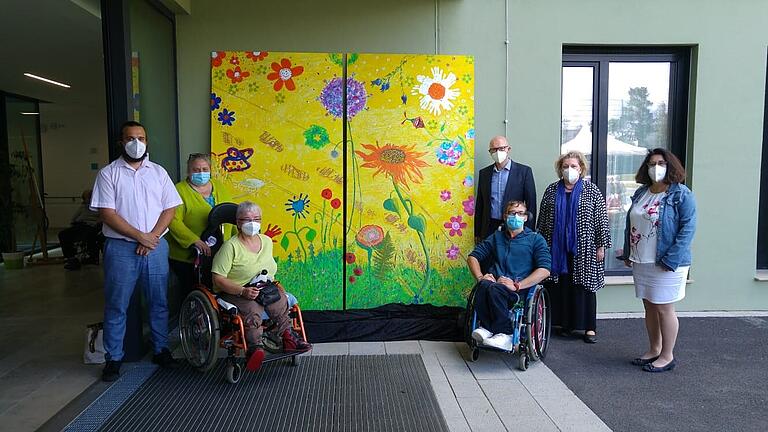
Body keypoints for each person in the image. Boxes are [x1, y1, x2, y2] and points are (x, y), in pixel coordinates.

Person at [90, 121, 183, 382]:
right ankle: (114, 359)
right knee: (117, 304)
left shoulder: (158, 172)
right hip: (120, 249)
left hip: (154, 247)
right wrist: (139, 236)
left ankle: (161, 350)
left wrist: (150, 238)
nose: (136, 143)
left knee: (158, 301)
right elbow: (107, 213)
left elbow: (170, 209)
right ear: (121, 142)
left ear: (147, 141)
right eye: (130, 138)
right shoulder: (109, 174)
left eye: (141, 137)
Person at [618, 148, 696, 373]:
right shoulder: (642, 192)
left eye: (661, 163)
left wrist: (671, 258)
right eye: (651, 163)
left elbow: (688, 228)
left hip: (667, 261)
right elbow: (632, 223)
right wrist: (628, 252)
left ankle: (667, 355)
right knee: (649, 306)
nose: (656, 168)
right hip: (642, 259)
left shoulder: (681, 194)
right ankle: (654, 349)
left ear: (670, 166)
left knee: (664, 308)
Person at [211, 201, 311, 372]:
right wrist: (243, 290)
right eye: (247, 219)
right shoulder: (230, 247)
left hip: (262, 286)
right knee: (252, 308)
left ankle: (288, 337)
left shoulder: (266, 241)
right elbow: (217, 278)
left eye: (256, 219)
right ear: (238, 222)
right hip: (236, 290)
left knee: (279, 300)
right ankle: (254, 348)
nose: (252, 223)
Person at [537, 151, 611, 343]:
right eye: (565, 166)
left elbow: (601, 220)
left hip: (585, 248)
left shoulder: (591, 190)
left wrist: (600, 246)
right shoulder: (552, 190)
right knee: (562, 285)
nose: (569, 170)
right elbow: (543, 221)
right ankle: (566, 325)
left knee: (585, 287)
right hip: (556, 249)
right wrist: (541, 247)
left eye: (574, 166)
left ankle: (589, 328)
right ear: (560, 169)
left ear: (581, 169)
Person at [467, 200, 551, 351]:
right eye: (512, 213)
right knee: (483, 285)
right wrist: (480, 277)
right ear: (505, 216)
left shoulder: (535, 239)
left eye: (520, 213)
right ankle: (488, 328)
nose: (516, 216)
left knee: (494, 289)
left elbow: (544, 270)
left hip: (518, 291)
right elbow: (473, 257)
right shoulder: (496, 237)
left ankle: (505, 333)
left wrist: (517, 285)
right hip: (495, 285)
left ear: (526, 217)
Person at [168, 153, 236, 295]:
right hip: (188, 256)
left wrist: (239, 239)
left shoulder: (218, 186)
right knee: (190, 292)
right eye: (196, 170)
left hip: (219, 253)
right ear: (188, 171)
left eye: (205, 169)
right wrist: (195, 241)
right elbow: (173, 221)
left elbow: (231, 213)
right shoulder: (179, 190)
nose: (201, 173)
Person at [474, 136, 537, 242]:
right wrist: (477, 232)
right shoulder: (484, 173)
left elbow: (531, 203)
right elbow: (480, 204)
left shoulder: (524, 172)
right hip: (489, 227)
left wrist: (529, 230)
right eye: (494, 149)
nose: (498, 152)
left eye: (502, 148)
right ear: (490, 152)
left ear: (508, 149)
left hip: (515, 225)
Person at [58, 189, 101, 270]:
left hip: (90, 225)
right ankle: (71, 258)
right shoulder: (84, 205)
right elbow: (75, 216)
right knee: (63, 234)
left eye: (86, 198)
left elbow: (102, 218)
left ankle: (79, 258)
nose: (84, 200)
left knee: (81, 236)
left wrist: (95, 224)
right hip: (79, 224)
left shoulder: (99, 206)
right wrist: (73, 222)